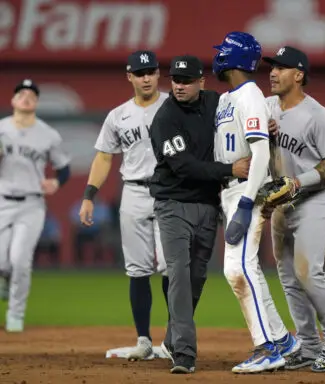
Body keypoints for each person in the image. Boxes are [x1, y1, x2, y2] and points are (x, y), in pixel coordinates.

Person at [149, 54, 251, 374]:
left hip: (208, 205)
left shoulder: (216, 103)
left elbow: (244, 112)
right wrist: (230, 169)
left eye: (186, 81)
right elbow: (184, 167)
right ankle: (184, 352)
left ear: (201, 82)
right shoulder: (164, 118)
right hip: (173, 203)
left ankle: (171, 337)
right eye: (175, 80)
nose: (179, 86)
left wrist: (265, 122)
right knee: (178, 273)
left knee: (195, 278)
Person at [212, 32, 300, 374]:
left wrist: (248, 202)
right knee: (246, 269)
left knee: (237, 269)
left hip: (246, 191)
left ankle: (266, 349)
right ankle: (283, 341)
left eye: (222, 53)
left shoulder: (249, 94)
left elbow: (260, 152)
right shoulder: (226, 99)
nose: (218, 57)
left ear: (232, 59)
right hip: (229, 191)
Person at [262, 46, 325, 372]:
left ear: (298, 75)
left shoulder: (318, 115)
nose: (272, 73)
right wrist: (261, 133)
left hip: (316, 200)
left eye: (281, 68)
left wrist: (300, 181)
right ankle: (309, 346)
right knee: (288, 277)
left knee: (307, 272)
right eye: (272, 67)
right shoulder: (267, 105)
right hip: (282, 204)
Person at [79, 51, 170, 361]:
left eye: (151, 71)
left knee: (172, 266)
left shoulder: (175, 105)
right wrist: (90, 194)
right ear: (129, 76)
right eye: (139, 72)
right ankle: (144, 340)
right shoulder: (118, 115)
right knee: (137, 269)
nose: (146, 77)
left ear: (159, 74)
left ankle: (175, 340)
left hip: (170, 192)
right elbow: (104, 156)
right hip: (133, 191)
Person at [0, 79, 71, 332]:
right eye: (21, 93)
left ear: (36, 102)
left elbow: (64, 168)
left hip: (31, 204)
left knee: (20, 259)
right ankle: (5, 278)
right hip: (2, 200)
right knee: (2, 262)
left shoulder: (48, 134)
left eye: (31, 94)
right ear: (13, 100)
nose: (26, 97)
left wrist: (57, 182)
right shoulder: (1, 129)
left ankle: (15, 316)